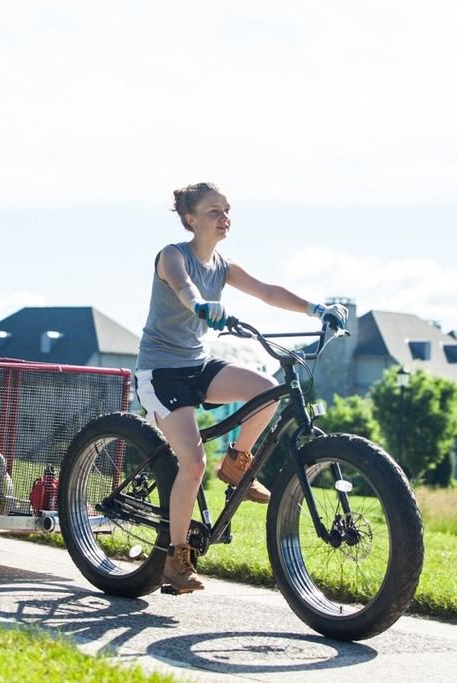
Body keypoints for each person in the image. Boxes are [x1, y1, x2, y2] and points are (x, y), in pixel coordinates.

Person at [134, 182, 347, 594]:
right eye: (214, 211)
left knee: (266, 390)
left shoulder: (223, 266)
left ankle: (237, 463)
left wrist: (316, 309)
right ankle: (176, 560)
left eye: (227, 210)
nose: (224, 217)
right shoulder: (173, 255)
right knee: (192, 463)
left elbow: (268, 291)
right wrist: (200, 305)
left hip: (195, 364)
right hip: (160, 371)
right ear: (191, 219)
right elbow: (183, 287)